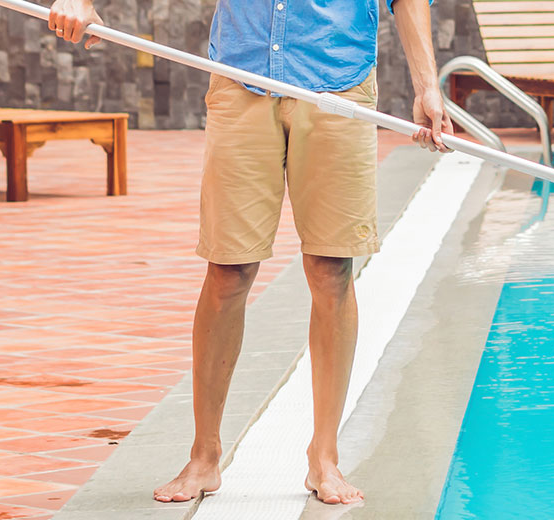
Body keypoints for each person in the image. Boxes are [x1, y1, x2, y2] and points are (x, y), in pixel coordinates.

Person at [47, 0, 452, 505]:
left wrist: (427, 86)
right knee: (228, 272)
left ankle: (324, 457)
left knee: (332, 272)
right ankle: (204, 456)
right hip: (240, 79)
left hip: (337, 84)